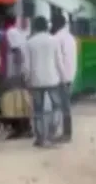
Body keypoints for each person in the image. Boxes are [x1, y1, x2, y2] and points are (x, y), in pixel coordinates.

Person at [24, 16, 65, 148]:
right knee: (57, 106)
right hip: (52, 79)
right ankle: (51, 132)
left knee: (38, 109)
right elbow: (59, 61)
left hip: (35, 80)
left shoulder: (30, 42)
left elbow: (27, 65)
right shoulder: (54, 41)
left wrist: (26, 79)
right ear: (47, 26)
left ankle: (40, 137)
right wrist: (63, 78)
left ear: (35, 27)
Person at [0, 16, 32, 139]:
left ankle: (21, 128)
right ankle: (23, 128)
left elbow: (17, 51)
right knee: (19, 101)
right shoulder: (17, 32)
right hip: (16, 72)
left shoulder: (11, 32)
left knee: (14, 101)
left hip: (14, 73)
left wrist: (17, 72)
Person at [52, 14, 77, 142]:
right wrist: (70, 76)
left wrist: (62, 78)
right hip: (70, 76)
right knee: (66, 106)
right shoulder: (71, 38)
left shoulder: (57, 38)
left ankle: (66, 134)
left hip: (61, 78)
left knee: (63, 107)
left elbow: (58, 60)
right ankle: (65, 133)